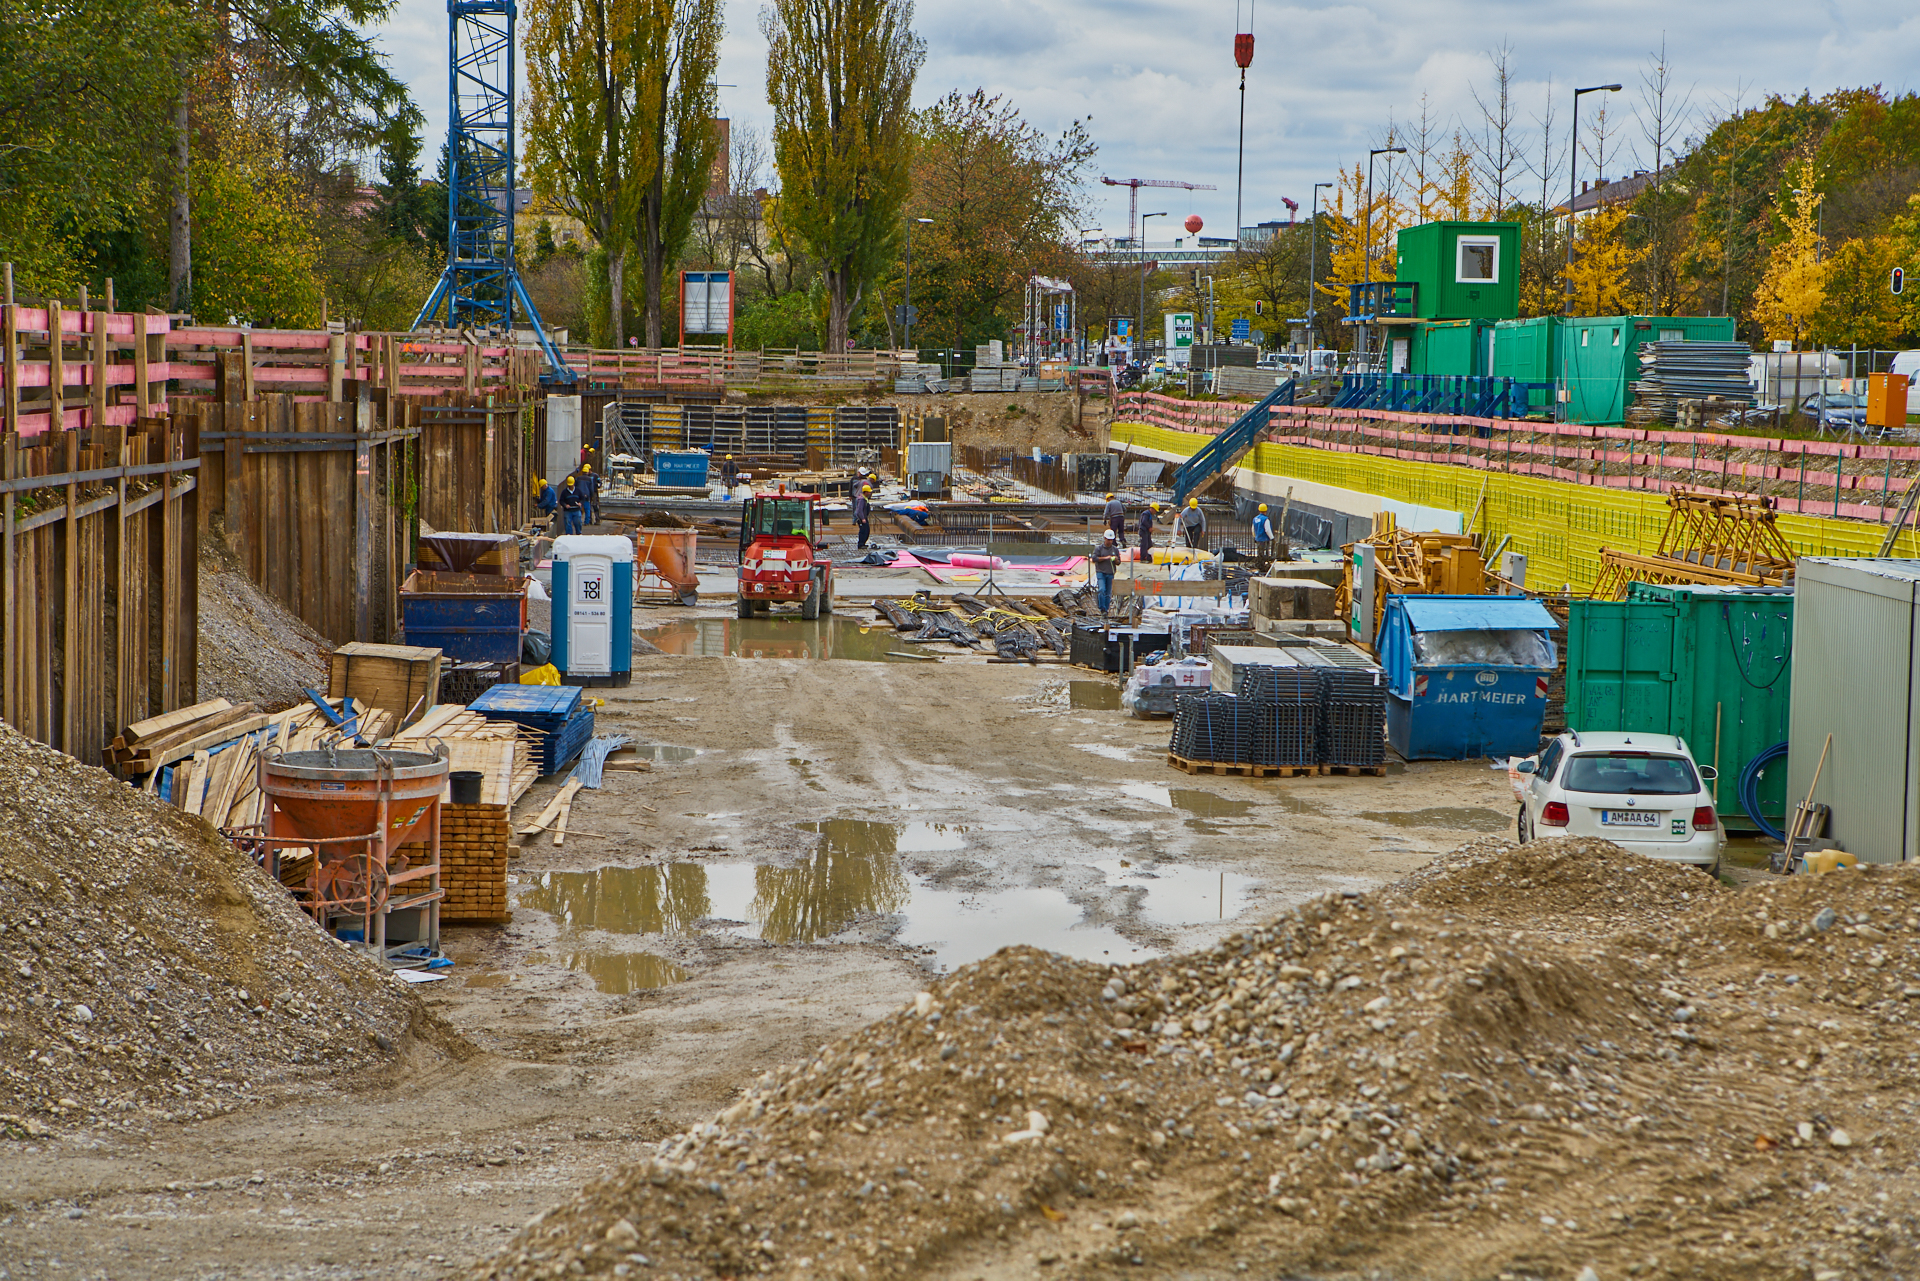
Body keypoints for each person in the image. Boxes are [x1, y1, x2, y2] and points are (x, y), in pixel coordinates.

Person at [1091, 528, 1119, 615]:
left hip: (1110, 573)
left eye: (1111, 540)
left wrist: (1116, 560)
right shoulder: (1099, 548)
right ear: (1104, 538)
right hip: (1101, 572)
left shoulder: (1115, 549)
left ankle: (1106, 609)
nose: (1109, 542)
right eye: (1108, 540)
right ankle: (1102, 608)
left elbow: (1118, 562)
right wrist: (1105, 558)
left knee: (1108, 592)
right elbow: (1094, 559)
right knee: (1102, 589)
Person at [854, 483, 873, 550]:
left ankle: (863, 543)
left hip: (864, 517)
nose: (870, 493)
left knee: (866, 531)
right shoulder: (862, 500)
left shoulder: (865, 498)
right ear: (865, 492)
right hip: (862, 518)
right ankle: (861, 544)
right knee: (863, 531)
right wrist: (862, 518)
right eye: (869, 492)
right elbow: (859, 510)